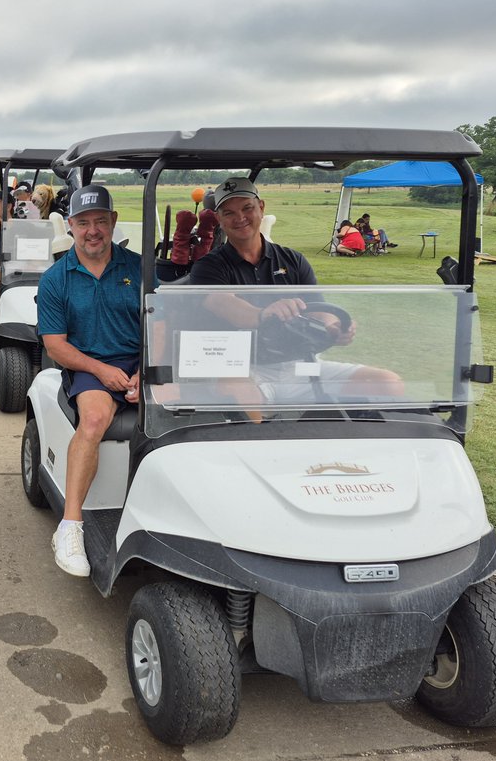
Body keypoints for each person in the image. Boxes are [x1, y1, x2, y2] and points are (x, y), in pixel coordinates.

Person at [188, 178, 402, 411]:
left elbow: (319, 309)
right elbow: (223, 304)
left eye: (247, 208)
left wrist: (334, 326)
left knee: (386, 383)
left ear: (261, 207)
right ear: (219, 219)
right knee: (239, 396)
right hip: (242, 367)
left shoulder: (293, 260)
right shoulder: (209, 266)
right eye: (229, 213)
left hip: (300, 363)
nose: (239, 218)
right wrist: (264, 313)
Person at [37, 184, 144, 577]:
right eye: (84, 223)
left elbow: (160, 324)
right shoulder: (56, 278)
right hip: (87, 363)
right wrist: (102, 371)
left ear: (113, 222)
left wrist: (142, 371)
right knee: (95, 419)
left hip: (140, 360)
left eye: (101, 221)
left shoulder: (138, 267)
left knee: (188, 414)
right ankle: (70, 525)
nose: (92, 230)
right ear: (71, 227)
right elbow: (55, 346)